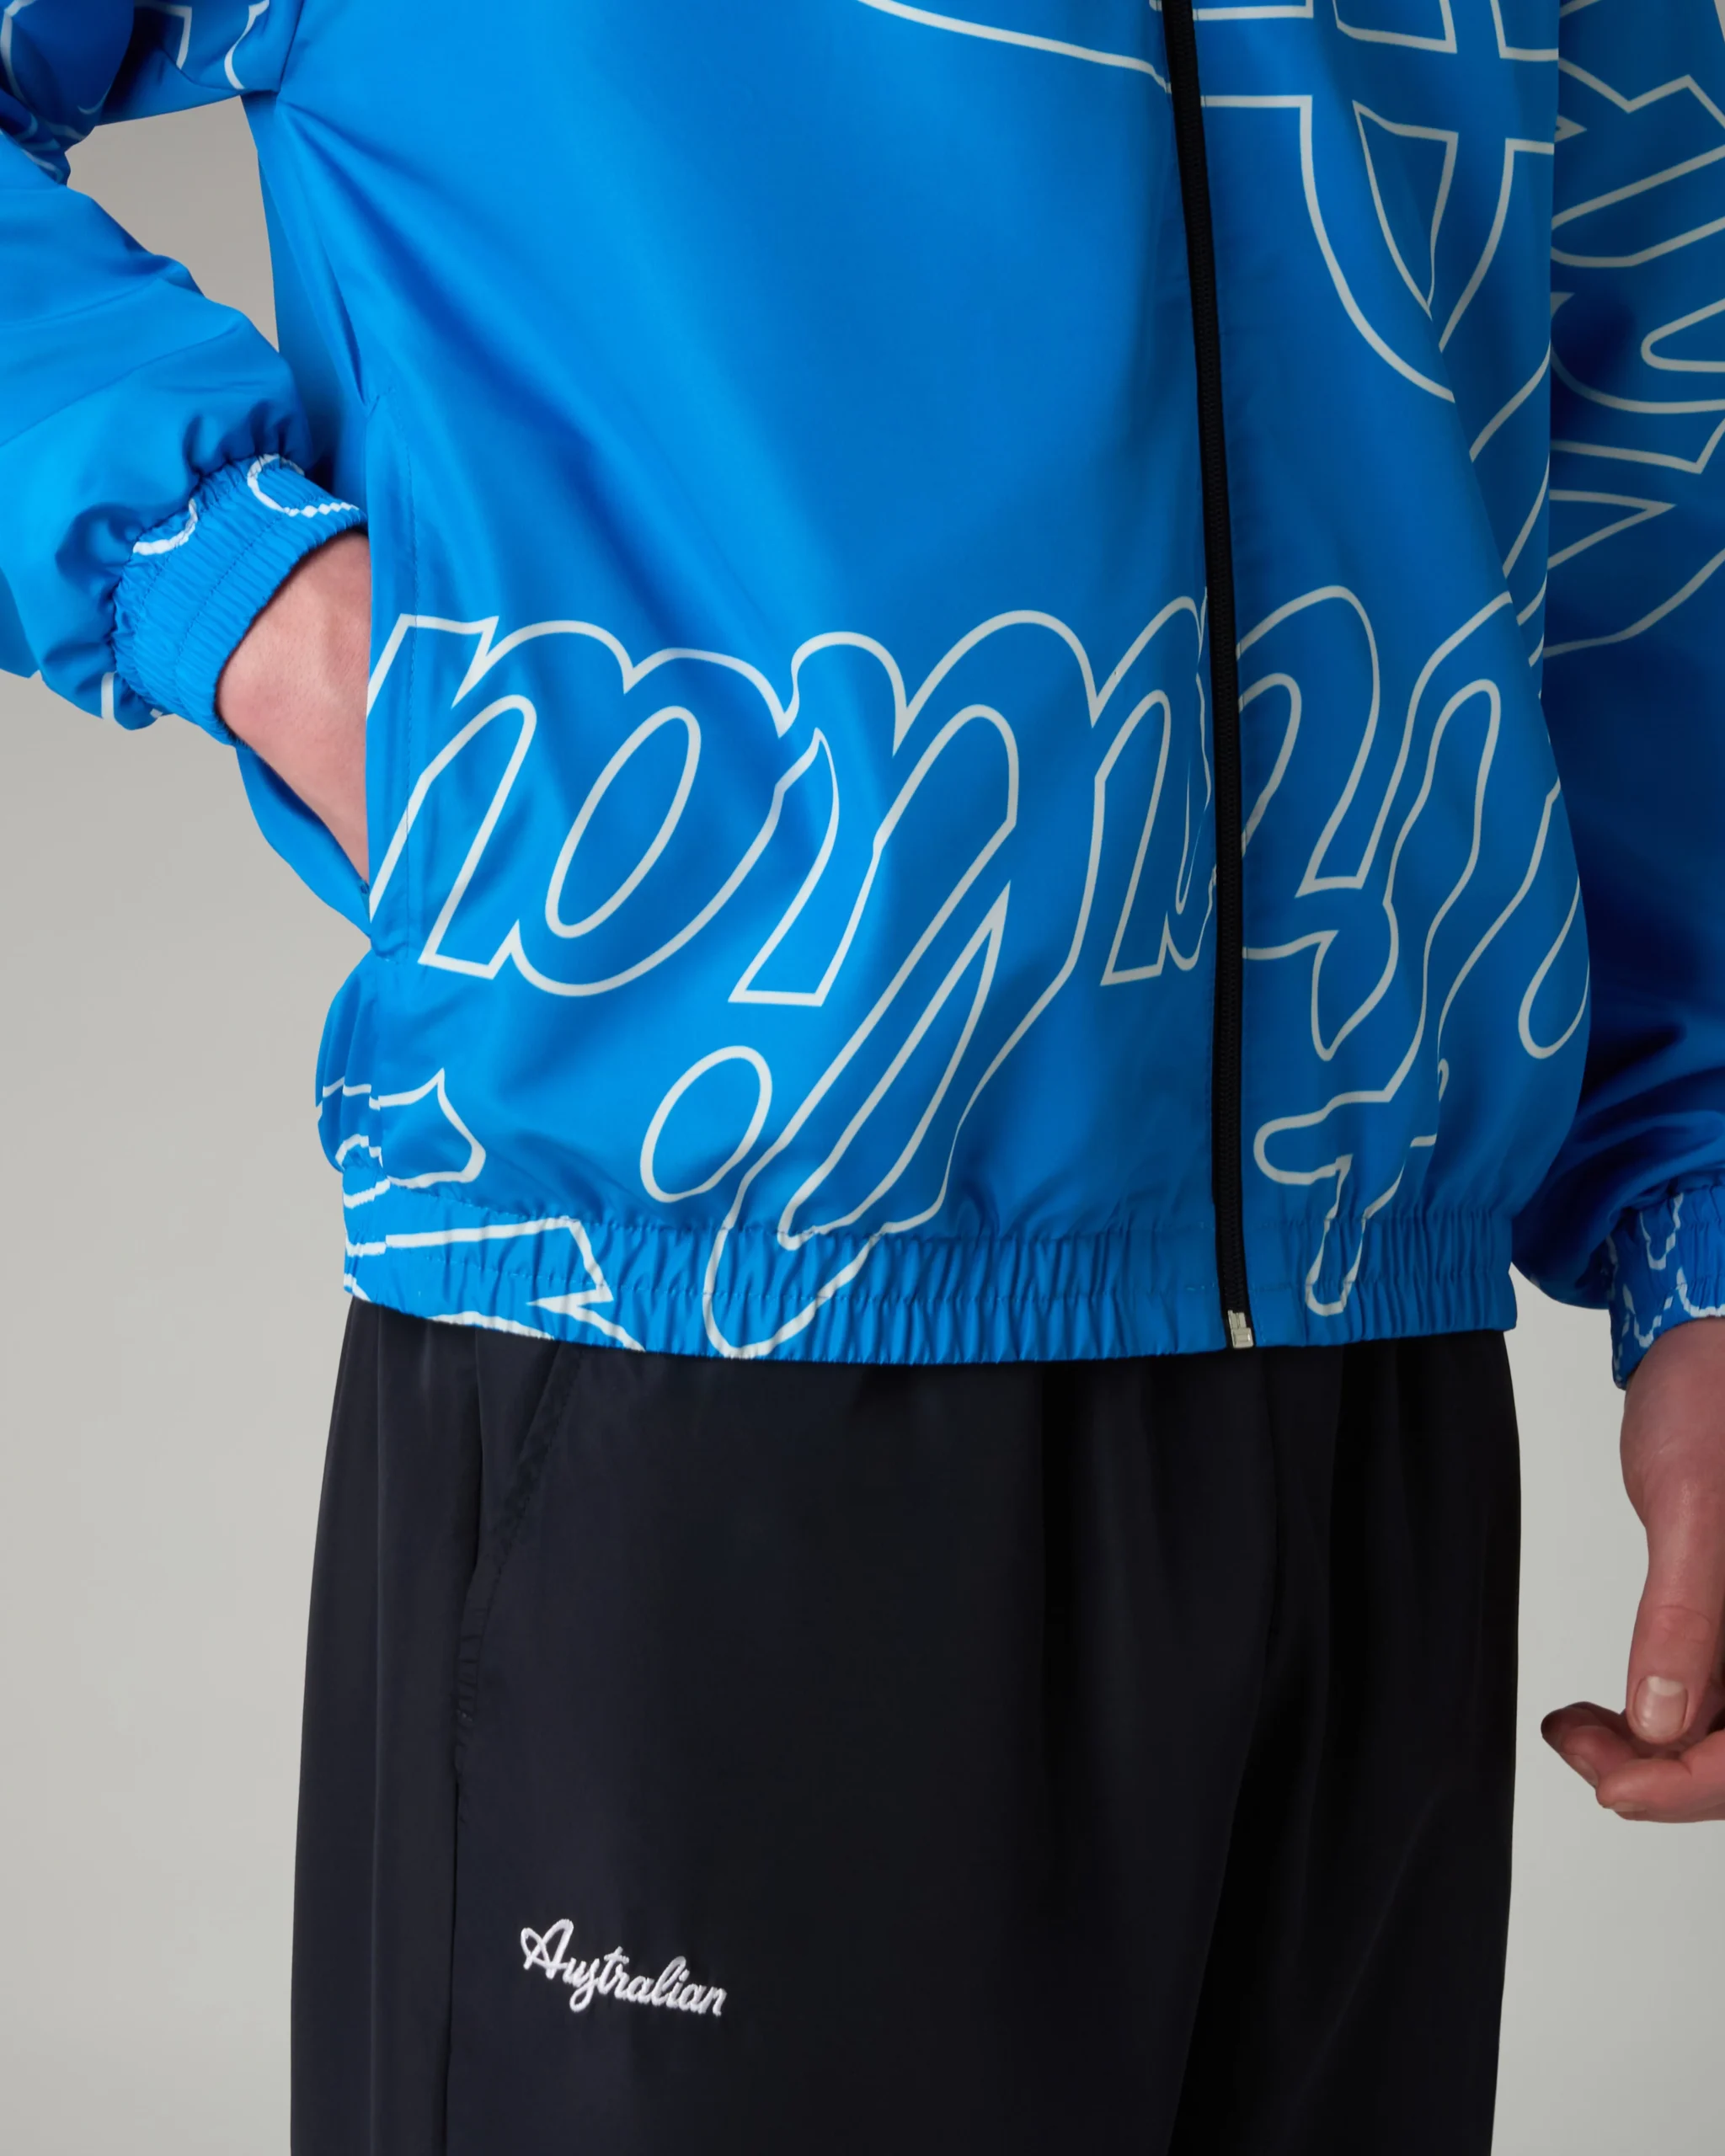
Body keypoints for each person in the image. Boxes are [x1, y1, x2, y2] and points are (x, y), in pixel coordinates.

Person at [3, 2, 1720, 2149]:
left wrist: (1698, 1223)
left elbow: (1646, 345)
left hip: (1369, 1385)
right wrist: (262, 608)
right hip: (705, 1350)